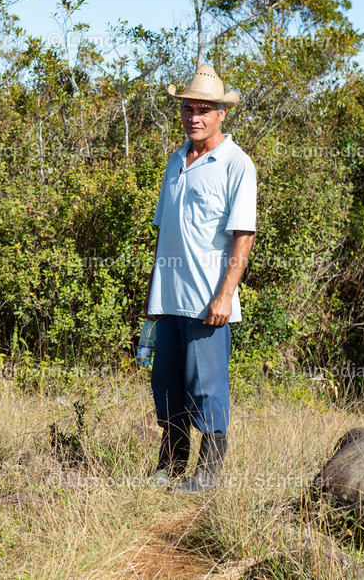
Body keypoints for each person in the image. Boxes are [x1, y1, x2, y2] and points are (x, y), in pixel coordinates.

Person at [143, 64, 256, 494]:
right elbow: (163, 232)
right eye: (188, 108)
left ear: (222, 113)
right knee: (166, 384)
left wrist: (225, 295)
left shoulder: (236, 164)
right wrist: (152, 294)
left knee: (207, 387)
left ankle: (208, 475)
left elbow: (243, 235)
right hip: (168, 297)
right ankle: (171, 465)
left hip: (209, 300)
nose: (195, 117)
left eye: (204, 110)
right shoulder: (176, 161)